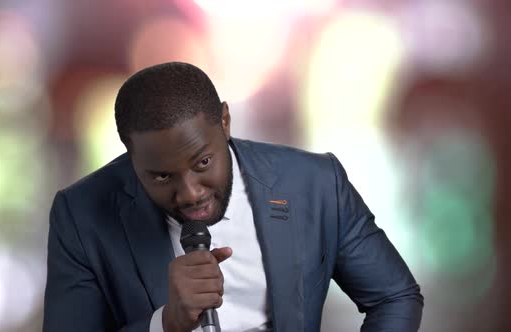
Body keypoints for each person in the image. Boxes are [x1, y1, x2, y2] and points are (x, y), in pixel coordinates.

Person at [43, 62, 423, 332]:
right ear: (130, 156)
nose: (190, 192)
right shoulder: (81, 215)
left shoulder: (314, 183)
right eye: (162, 176)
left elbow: (395, 297)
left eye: (203, 161)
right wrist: (167, 323)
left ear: (225, 122)